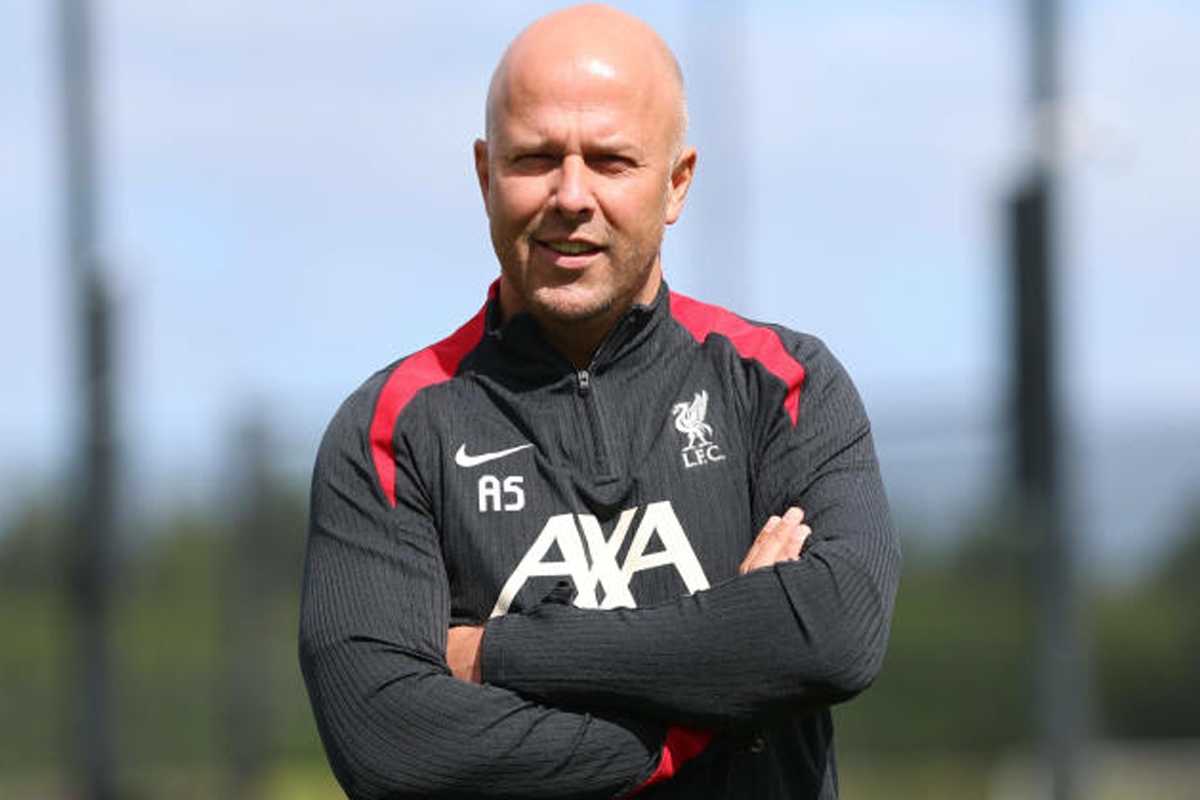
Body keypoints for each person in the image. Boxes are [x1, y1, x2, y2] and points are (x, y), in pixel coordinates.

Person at [299, 4, 901, 799]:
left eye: (612, 161)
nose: (571, 195)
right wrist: (706, 709)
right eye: (536, 159)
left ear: (676, 183)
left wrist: (498, 654)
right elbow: (391, 743)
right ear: (485, 176)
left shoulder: (783, 384)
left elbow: (832, 634)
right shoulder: (392, 430)